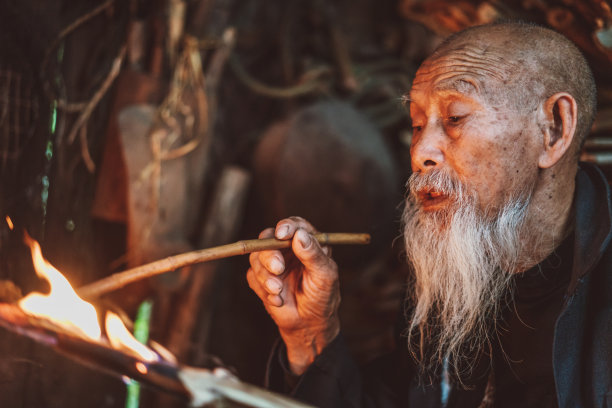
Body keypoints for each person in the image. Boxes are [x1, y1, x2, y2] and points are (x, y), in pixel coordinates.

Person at [246, 21, 611, 407]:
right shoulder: (452, 281)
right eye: (418, 124)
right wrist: (311, 336)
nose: (420, 151)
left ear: (553, 129)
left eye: (455, 118)